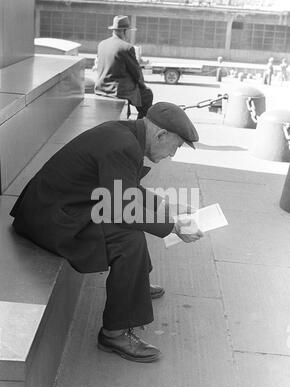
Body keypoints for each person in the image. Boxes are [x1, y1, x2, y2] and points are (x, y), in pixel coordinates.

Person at [10, 102, 202, 363]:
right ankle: (114, 333)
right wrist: (173, 227)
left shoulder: (126, 134)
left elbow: (126, 189)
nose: (173, 154)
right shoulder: (123, 145)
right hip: (50, 218)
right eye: (176, 146)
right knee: (127, 237)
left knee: (131, 227)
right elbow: (121, 207)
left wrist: (167, 205)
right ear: (161, 135)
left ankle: (136, 286)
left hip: (56, 206)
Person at [94, 15, 153, 119]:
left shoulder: (102, 44)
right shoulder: (127, 47)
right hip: (117, 91)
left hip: (100, 87)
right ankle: (140, 125)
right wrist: (143, 86)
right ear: (124, 31)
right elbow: (136, 73)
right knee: (147, 95)